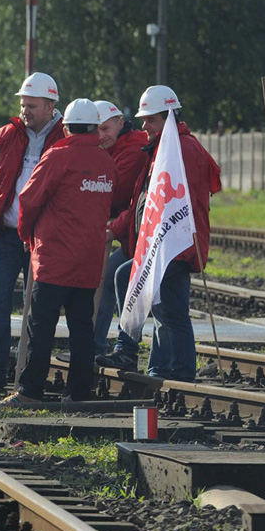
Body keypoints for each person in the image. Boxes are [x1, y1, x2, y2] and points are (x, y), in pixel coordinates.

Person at [0, 99, 118, 405]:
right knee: (82, 329)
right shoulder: (106, 162)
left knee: (41, 327)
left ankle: (30, 391)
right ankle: (78, 393)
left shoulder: (58, 155)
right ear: (93, 127)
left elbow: (28, 200)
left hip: (53, 260)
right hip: (88, 262)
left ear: (65, 127)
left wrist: (27, 236)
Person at [98, 85, 220, 381]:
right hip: (164, 245)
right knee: (164, 306)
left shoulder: (182, 149)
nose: (144, 126)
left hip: (176, 245)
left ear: (167, 116)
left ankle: (169, 370)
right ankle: (161, 368)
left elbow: (177, 200)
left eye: (150, 120)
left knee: (168, 310)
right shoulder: (165, 147)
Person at [0, 72, 65, 394]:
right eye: (23, 105)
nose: (26, 111)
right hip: (5, 236)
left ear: (51, 106)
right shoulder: (6, 135)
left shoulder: (64, 138)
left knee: (38, 309)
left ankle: (28, 376)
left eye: (32, 106)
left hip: (42, 240)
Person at [92, 99, 151, 358]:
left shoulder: (132, 150)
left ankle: (123, 347)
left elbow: (115, 196)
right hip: (132, 233)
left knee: (119, 277)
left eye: (105, 129)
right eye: (96, 131)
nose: (100, 136)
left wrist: (112, 228)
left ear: (119, 123)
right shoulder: (113, 149)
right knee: (111, 278)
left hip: (141, 235)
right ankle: (100, 345)